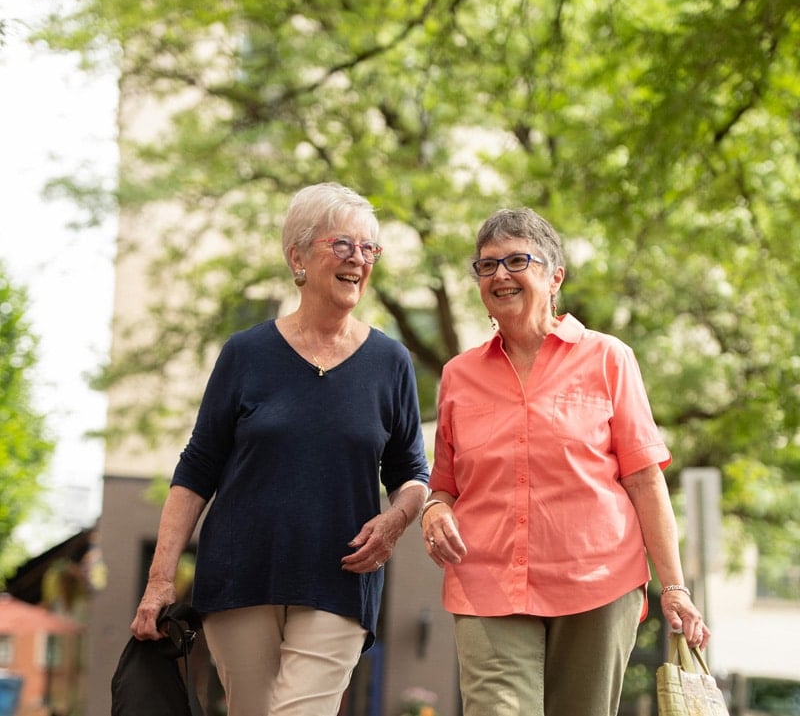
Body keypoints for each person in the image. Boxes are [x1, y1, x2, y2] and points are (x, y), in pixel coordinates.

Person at [131, 182, 430, 716]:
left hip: (342, 579)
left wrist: (397, 519)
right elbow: (197, 468)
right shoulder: (245, 354)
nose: (358, 260)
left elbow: (411, 470)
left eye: (369, 249)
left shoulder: (391, 362)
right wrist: (158, 582)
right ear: (298, 255)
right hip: (240, 576)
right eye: (342, 245)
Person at [420, 207, 710, 716]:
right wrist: (434, 510)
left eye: (516, 261)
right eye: (486, 266)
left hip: (596, 582)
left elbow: (643, 480)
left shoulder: (608, 358)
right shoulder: (458, 375)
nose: (499, 275)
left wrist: (676, 588)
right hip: (487, 581)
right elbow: (444, 485)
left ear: (555, 276)